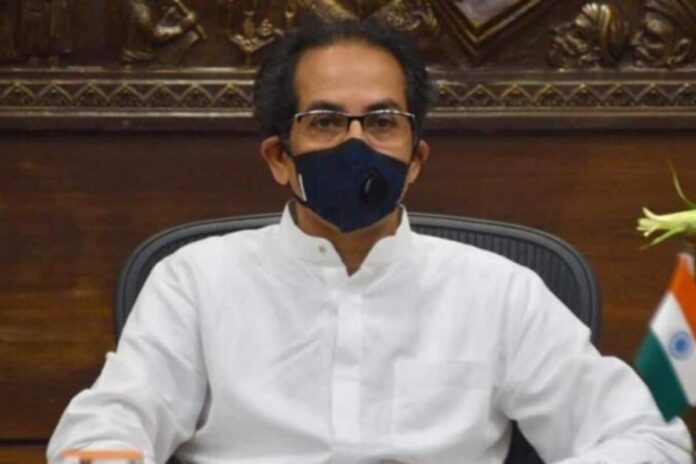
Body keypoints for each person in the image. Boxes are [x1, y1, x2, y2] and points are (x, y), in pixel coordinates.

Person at [47, 19, 693, 464]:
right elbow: (107, 427)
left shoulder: (501, 293)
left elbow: (647, 439)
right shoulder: (195, 282)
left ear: (415, 160)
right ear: (279, 157)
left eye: (382, 121)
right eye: (326, 121)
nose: (356, 143)